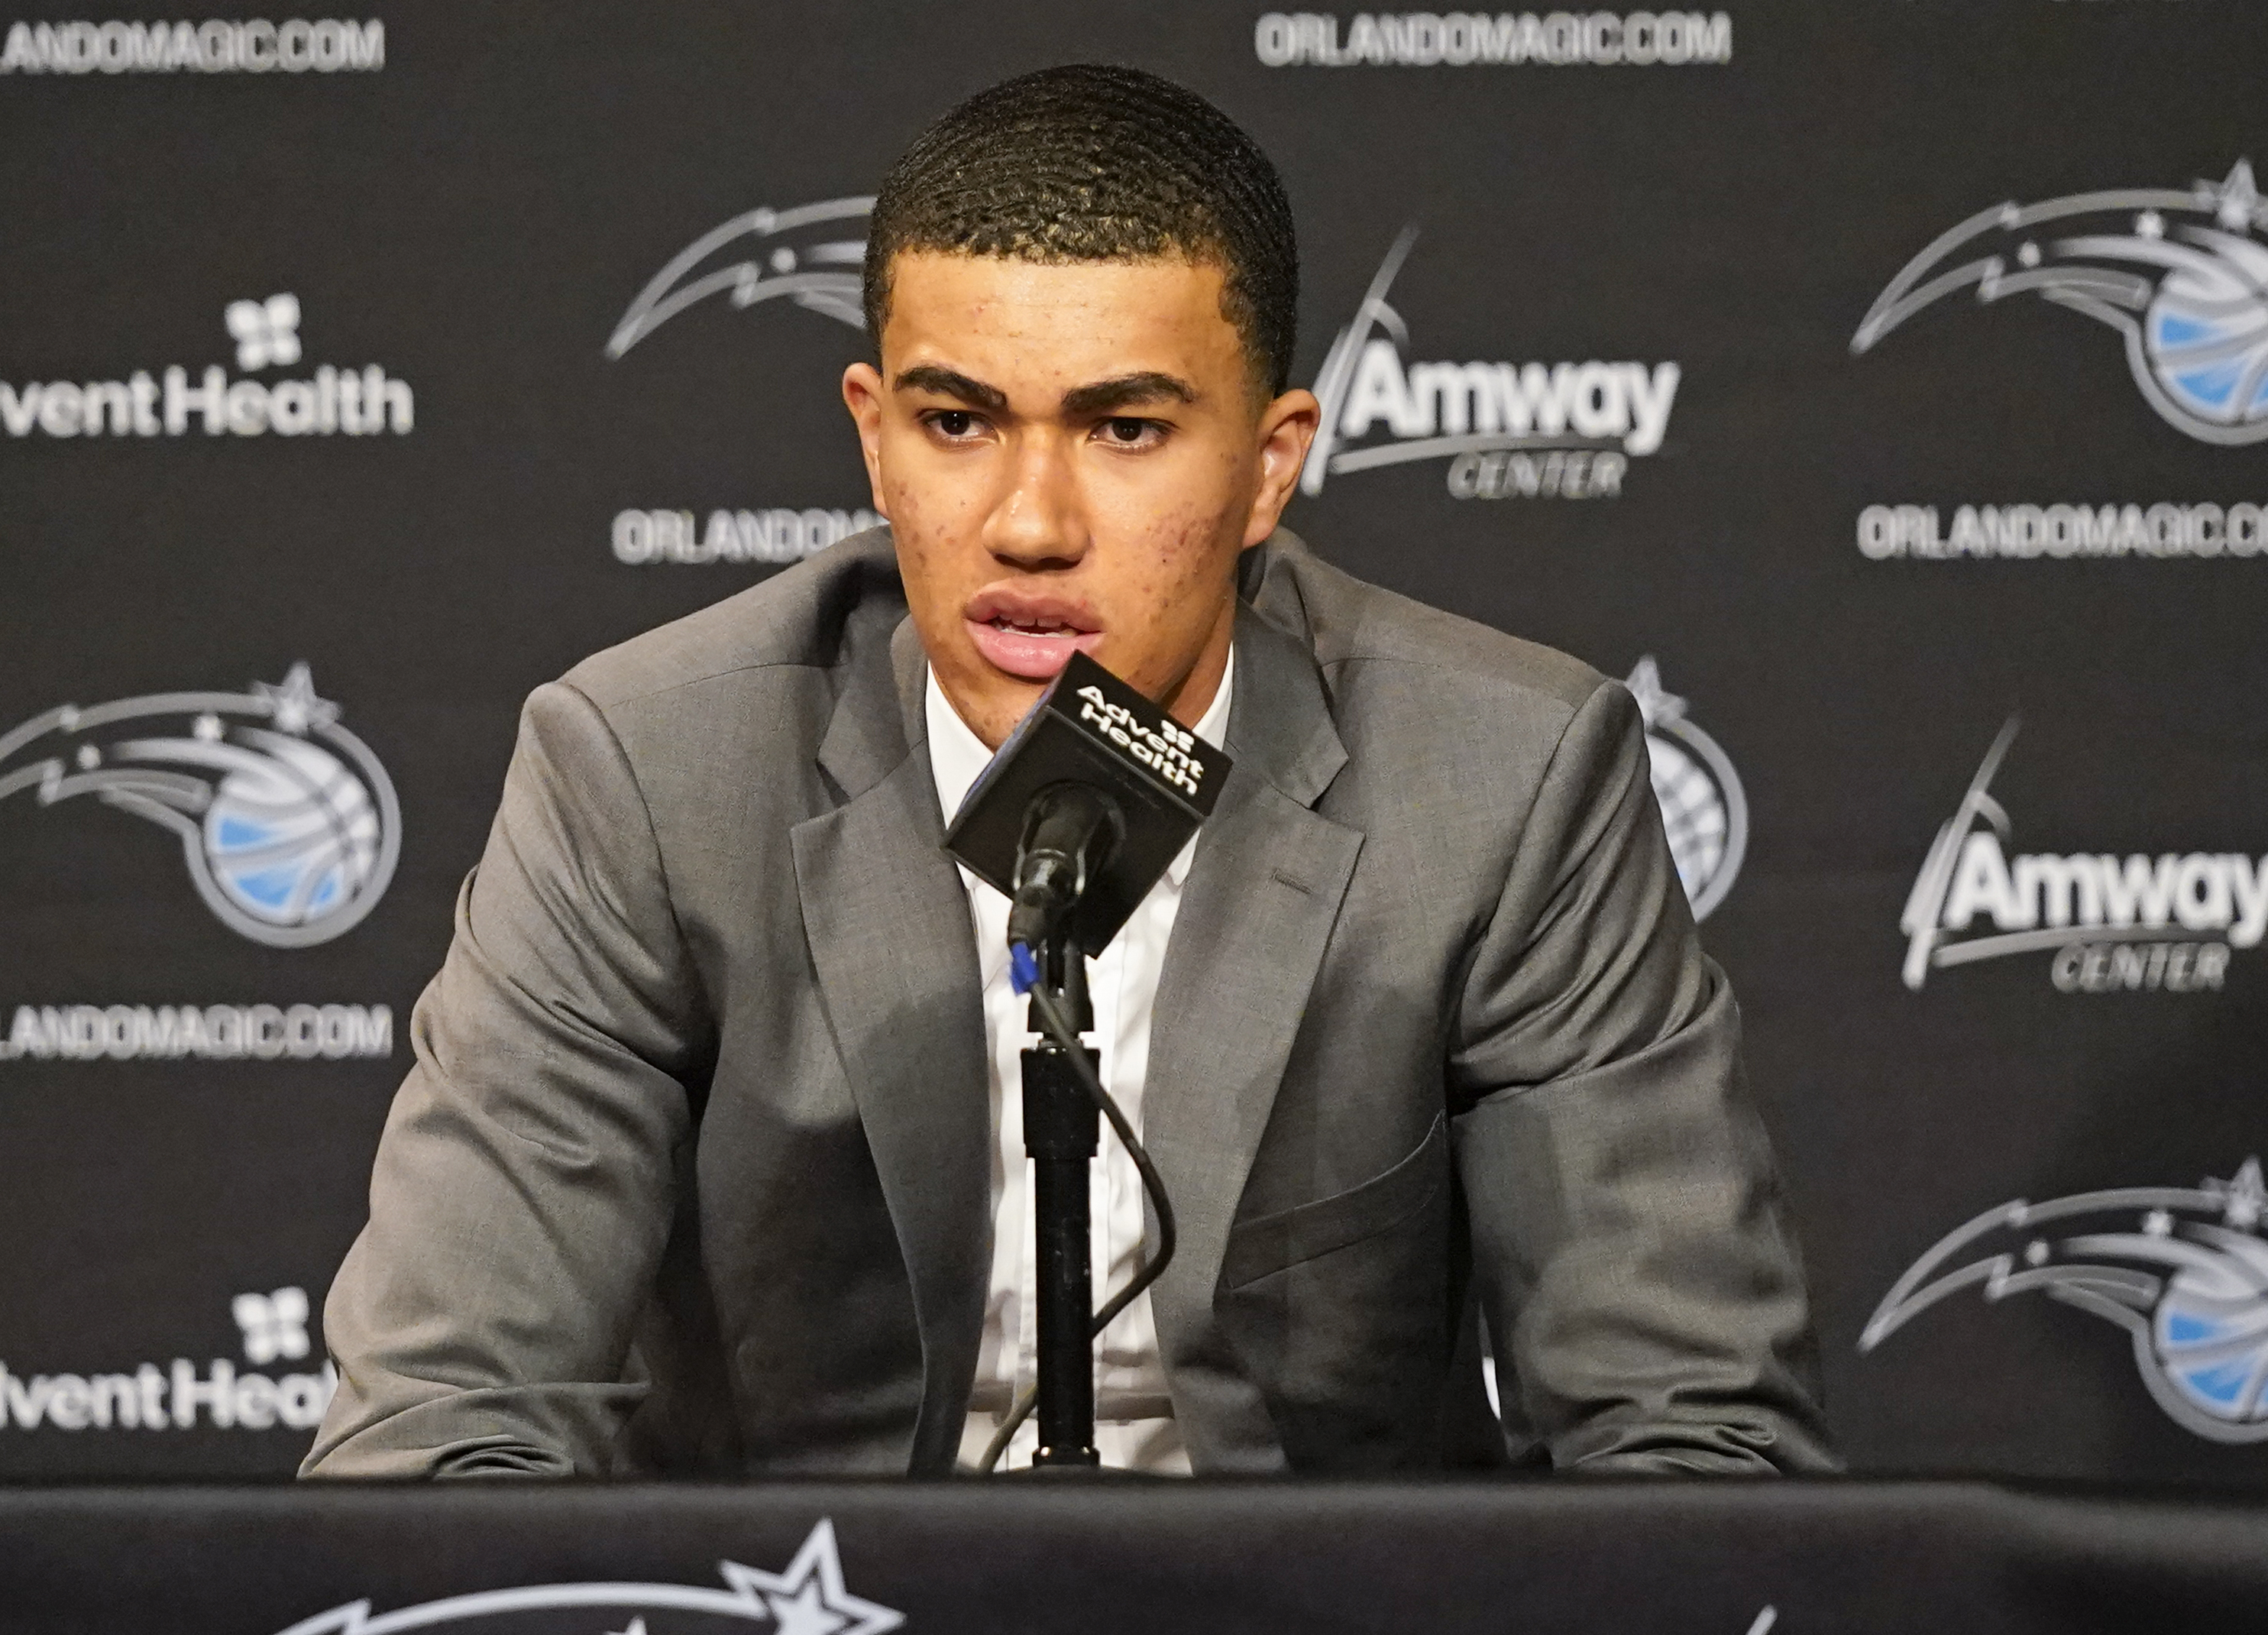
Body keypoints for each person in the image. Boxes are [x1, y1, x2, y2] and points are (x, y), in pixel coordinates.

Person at [302, 63, 1834, 1479]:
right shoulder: (646, 774)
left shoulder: (1501, 779)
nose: (1030, 523)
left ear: (1269, 461)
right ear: (874, 436)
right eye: (957, 421)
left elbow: (1692, 1431)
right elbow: (441, 1424)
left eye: (1125, 428)